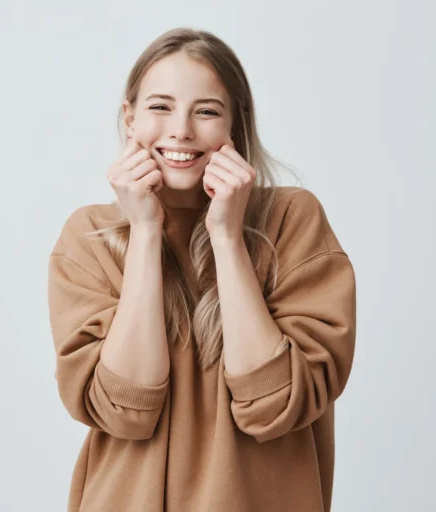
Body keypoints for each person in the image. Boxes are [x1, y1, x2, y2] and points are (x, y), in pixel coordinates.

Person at [47, 27, 357, 512]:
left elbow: (273, 406)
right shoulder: (89, 237)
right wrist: (145, 233)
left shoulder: (292, 221)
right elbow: (125, 410)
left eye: (207, 111)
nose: (182, 130)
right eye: (160, 107)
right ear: (130, 119)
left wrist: (228, 237)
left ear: (236, 124)